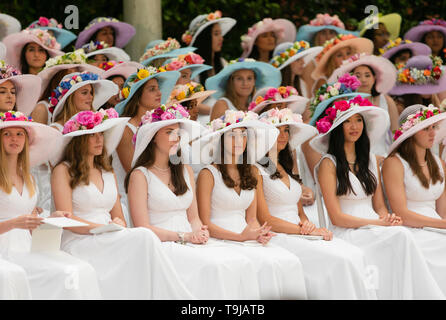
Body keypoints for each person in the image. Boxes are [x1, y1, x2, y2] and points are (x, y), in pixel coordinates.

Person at [50, 109, 194, 299]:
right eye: (92, 135)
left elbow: (119, 217)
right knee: (144, 235)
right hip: (79, 239)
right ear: (79, 140)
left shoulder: (107, 171)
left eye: (101, 134)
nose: (99, 139)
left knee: (142, 239)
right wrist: (103, 228)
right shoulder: (63, 170)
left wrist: (114, 227)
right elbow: (67, 220)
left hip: (108, 235)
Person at [312, 96, 445, 299]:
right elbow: (337, 217)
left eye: (358, 120)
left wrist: (387, 219)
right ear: (338, 128)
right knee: (401, 236)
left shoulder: (371, 160)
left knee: (401, 233)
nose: (354, 126)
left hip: (375, 225)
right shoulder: (328, 164)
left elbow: (380, 206)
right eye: (347, 121)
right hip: (348, 229)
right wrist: (377, 222)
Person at [126, 104, 262, 299]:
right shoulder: (140, 175)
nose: (176, 138)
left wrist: (200, 232)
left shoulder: (185, 170)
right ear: (153, 137)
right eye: (169, 132)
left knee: (239, 262)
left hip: (190, 240)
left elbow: (195, 217)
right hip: (161, 245)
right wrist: (184, 236)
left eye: (178, 133)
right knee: (215, 267)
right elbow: (142, 227)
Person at [255, 107, 377, 299]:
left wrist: (307, 223)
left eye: (286, 130)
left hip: (300, 231)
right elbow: (265, 218)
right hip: (278, 234)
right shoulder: (257, 168)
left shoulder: (285, 165)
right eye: (278, 130)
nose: (283, 135)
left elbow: (299, 211)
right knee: (340, 259)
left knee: (353, 254)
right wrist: (306, 230)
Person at [195, 110, 308, 300]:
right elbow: (204, 223)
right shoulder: (208, 174)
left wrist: (259, 233)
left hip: (246, 237)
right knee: (264, 266)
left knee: (288, 261)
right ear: (221, 140)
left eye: (243, 135)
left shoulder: (251, 171)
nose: (239, 140)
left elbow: (252, 219)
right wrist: (240, 237)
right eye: (233, 135)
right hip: (221, 239)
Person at [0, 110, 102, 299]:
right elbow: (19, 222)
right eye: (7, 134)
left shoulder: (29, 178)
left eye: (19, 134)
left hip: (27, 248)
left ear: (26, 140)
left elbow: (30, 226)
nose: (14, 139)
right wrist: (13, 223)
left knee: (80, 269)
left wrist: (50, 220)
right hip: (4, 253)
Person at [383, 104, 446, 295]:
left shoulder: (438, 161)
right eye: (425, 128)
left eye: (433, 127)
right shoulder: (394, 163)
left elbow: (442, 210)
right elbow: (402, 213)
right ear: (411, 133)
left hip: (436, 224)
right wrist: (441, 225)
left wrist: (442, 224)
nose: (432, 133)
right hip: (411, 228)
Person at [114, 67, 180, 225]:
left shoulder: (159, 127)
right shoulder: (125, 129)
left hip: (160, 194)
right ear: (137, 97)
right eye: (152, 89)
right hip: (133, 196)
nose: (159, 93)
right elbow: (133, 170)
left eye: (158, 88)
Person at [328, 53, 399, 156]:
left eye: (367, 75)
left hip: (384, 153)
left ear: (374, 78)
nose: (363, 80)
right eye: (358, 76)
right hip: (357, 155)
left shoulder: (387, 100)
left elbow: (395, 130)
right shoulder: (347, 103)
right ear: (351, 79)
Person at [32, 49, 103, 125]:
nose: (72, 79)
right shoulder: (42, 108)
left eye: (76, 75)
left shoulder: (82, 107)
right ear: (57, 77)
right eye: (68, 75)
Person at [206, 58, 281, 121]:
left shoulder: (257, 105)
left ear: (254, 81)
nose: (245, 83)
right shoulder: (222, 104)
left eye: (249, 78)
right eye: (239, 78)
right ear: (231, 82)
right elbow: (215, 136)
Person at [48, 71, 118, 131]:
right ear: (70, 98)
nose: (91, 97)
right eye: (84, 93)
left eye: (91, 93)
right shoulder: (55, 129)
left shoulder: (92, 125)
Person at [182, 11, 236, 84]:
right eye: (216, 34)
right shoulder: (191, 68)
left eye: (220, 34)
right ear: (204, 38)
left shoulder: (223, 63)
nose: (221, 38)